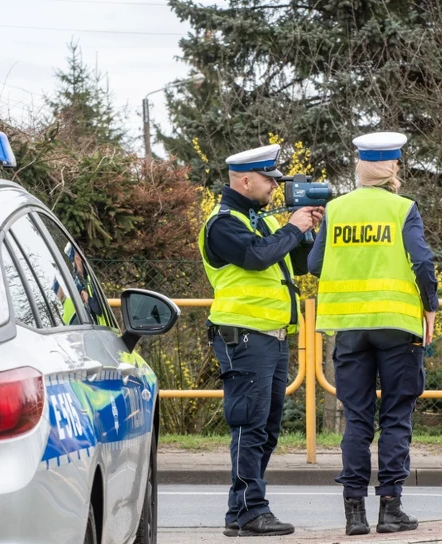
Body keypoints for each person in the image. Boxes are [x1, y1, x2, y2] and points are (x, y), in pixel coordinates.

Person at [307, 132, 439, 536]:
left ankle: (354, 515)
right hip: (397, 328)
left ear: (361, 168)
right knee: (397, 415)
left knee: (358, 419)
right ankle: (390, 508)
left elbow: (314, 265)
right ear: (392, 168)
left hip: (349, 330)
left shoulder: (336, 209)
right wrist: (430, 307)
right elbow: (422, 261)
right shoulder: (403, 209)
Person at [198, 143, 324, 537]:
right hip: (244, 338)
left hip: (271, 337)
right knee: (249, 427)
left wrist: (311, 229)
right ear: (246, 179)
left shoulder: (263, 221)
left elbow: (303, 265)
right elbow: (255, 257)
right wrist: (293, 227)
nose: (275, 187)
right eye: (270, 179)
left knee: (266, 429)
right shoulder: (223, 224)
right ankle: (252, 510)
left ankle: (240, 513)